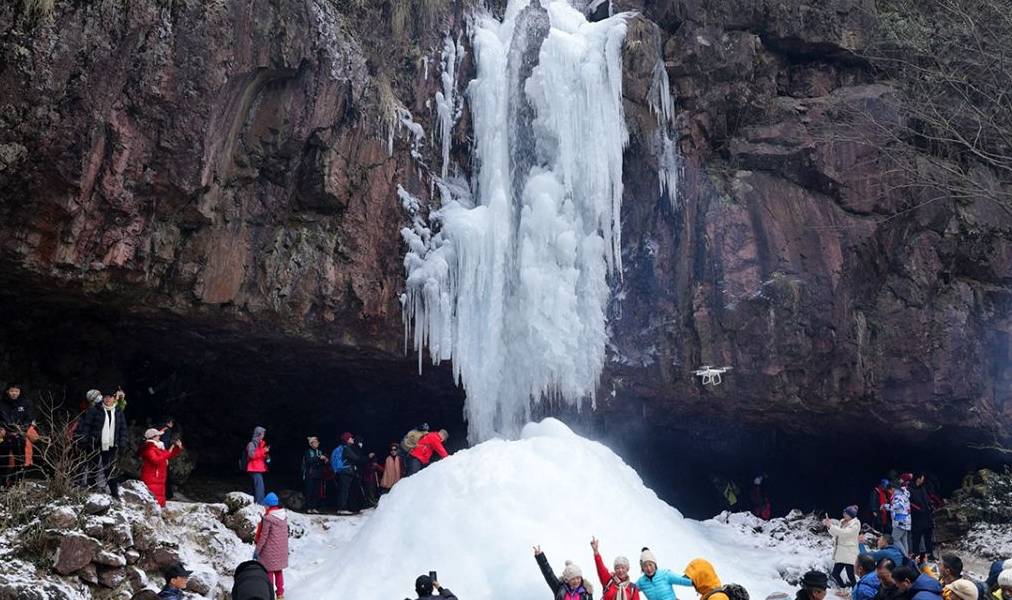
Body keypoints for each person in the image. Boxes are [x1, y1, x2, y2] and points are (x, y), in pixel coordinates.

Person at [76, 390, 128, 498]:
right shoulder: (95, 409)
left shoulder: (118, 411)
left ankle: (114, 493)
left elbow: (122, 429)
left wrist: (122, 443)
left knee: (109, 468)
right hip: (95, 442)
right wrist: (84, 440)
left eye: (110, 397)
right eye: (105, 397)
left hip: (111, 444)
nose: (108, 399)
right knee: (93, 466)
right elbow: (87, 426)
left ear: (114, 398)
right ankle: (91, 487)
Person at [254, 492, 289, 599]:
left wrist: (257, 551)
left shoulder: (268, 518)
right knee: (278, 571)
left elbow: (264, 537)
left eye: (265, 505)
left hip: (269, 552)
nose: (264, 507)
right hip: (281, 551)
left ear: (268, 505)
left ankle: (270, 594)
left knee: (268, 572)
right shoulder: (283, 516)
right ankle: (280, 594)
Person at [139, 428, 184, 507]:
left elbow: (167, 456)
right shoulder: (149, 448)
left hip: (157, 479)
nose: (159, 437)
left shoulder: (157, 447)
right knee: (153, 500)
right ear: (153, 437)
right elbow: (156, 460)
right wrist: (168, 452)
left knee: (158, 500)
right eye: (158, 435)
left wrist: (176, 448)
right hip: (152, 478)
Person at [0, 383, 36, 481]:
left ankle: (17, 483)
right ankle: (2, 484)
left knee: (20, 460)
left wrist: (22, 429)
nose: (14, 393)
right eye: (12, 391)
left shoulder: (25, 404)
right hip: (3, 436)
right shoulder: (1, 404)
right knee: (3, 460)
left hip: (20, 435)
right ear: (7, 391)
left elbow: (29, 419)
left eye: (16, 391)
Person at [825, 506, 861, 588]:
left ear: (851, 515)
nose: (844, 514)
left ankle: (855, 591)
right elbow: (836, 533)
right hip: (841, 553)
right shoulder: (842, 522)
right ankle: (843, 589)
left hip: (849, 553)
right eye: (844, 513)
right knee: (835, 573)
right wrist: (829, 527)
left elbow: (845, 533)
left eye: (846, 513)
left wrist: (831, 526)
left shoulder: (855, 524)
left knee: (850, 576)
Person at [330, 432, 365, 514]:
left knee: (344, 490)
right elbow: (356, 458)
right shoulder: (346, 448)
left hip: (343, 471)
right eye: (350, 438)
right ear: (347, 439)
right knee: (344, 490)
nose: (352, 439)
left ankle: (342, 508)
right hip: (346, 471)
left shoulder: (343, 448)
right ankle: (342, 508)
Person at [884, 474, 913, 555]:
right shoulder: (904, 494)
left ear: (893, 488)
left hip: (900, 519)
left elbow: (897, 506)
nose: (890, 492)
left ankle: (905, 557)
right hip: (906, 519)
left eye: (890, 490)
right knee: (904, 540)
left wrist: (885, 506)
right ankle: (906, 557)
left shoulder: (898, 495)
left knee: (894, 539)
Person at [909, 475, 935, 562]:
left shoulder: (923, 488)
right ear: (918, 479)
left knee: (928, 537)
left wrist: (930, 505)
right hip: (917, 517)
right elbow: (910, 503)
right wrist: (918, 509)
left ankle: (930, 554)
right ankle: (917, 556)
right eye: (922, 478)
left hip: (927, 516)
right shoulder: (910, 489)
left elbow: (926, 499)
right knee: (916, 538)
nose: (923, 480)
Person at [301, 436, 328, 514]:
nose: (317, 444)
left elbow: (321, 463)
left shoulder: (319, 452)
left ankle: (314, 507)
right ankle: (308, 507)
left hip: (318, 474)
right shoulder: (308, 452)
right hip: (310, 474)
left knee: (317, 491)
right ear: (311, 444)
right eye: (315, 442)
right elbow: (309, 461)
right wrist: (319, 458)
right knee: (310, 491)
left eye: (317, 442)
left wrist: (325, 460)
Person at [246, 426, 269, 505]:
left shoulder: (261, 444)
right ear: (258, 434)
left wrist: (266, 457)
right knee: (260, 487)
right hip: (253, 469)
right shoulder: (251, 444)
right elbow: (252, 455)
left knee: (254, 487)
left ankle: (252, 503)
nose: (263, 435)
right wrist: (263, 451)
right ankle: (260, 504)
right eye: (262, 434)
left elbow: (260, 456)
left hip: (258, 468)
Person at [157, 417, 177, 501]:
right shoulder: (167, 430)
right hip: (162, 455)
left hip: (159, 454)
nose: (172, 425)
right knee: (166, 475)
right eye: (171, 423)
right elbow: (164, 443)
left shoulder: (160, 429)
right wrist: (166, 455)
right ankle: (168, 495)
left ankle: (166, 494)